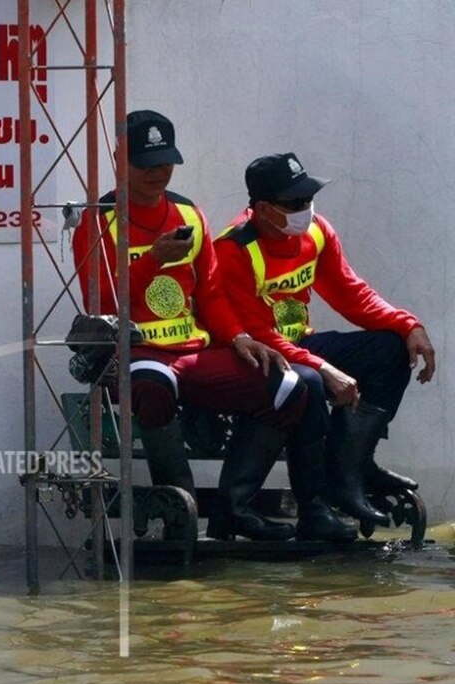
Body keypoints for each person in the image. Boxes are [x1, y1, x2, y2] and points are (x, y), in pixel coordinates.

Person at [71, 110, 353, 543]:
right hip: (137, 354)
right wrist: (151, 263)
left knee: (293, 384)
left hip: (193, 350)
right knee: (151, 383)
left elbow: (213, 294)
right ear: (118, 159)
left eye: (165, 162)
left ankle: (232, 511)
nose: (157, 173)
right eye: (145, 164)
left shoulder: (187, 211)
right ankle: (179, 509)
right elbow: (99, 306)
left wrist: (239, 337)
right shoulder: (97, 220)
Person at [214, 152, 435, 529]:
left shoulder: (315, 231)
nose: (307, 209)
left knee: (390, 350)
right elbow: (259, 334)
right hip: (255, 355)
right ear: (264, 209)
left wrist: (408, 324)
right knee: (310, 381)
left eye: (309, 198)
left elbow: (351, 293)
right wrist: (324, 367)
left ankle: (350, 471)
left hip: (299, 344)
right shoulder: (234, 248)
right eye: (295, 203)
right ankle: (314, 507)